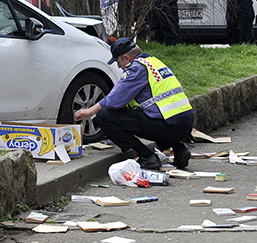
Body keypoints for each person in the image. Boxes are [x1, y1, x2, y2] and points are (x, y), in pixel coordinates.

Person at [74, 38, 194, 170]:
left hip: (167, 127)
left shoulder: (136, 68)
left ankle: (147, 157)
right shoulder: (152, 62)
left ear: (126, 58)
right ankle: (179, 149)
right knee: (153, 112)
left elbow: (114, 101)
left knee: (104, 115)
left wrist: (90, 111)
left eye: (118, 62)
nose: (119, 66)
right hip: (186, 125)